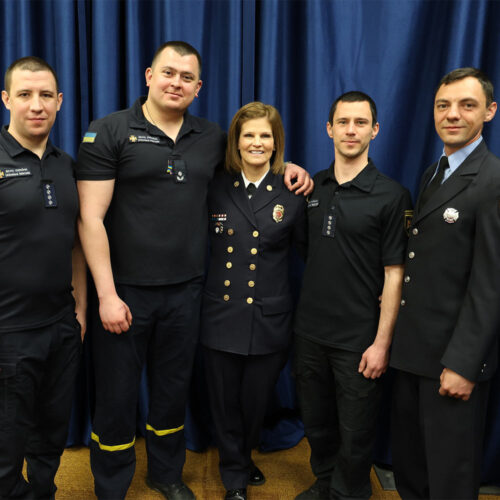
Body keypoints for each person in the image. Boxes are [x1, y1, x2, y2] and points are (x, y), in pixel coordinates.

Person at [76, 41, 312, 500]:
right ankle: (111, 485)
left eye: (187, 78)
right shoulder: (109, 131)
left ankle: (165, 475)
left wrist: (292, 169)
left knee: (171, 391)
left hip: (187, 293)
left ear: (199, 87)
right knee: (117, 395)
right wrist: (106, 294)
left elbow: (256, 158)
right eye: (168, 73)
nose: (176, 83)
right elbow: (90, 218)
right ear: (148, 75)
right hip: (123, 293)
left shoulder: (211, 138)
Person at [293, 91, 412, 500]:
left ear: (374, 130)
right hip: (309, 333)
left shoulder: (392, 195)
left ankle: (348, 492)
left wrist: (382, 343)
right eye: (343, 122)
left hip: (359, 339)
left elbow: (395, 275)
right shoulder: (311, 188)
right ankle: (324, 482)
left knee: (356, 430)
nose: (350, 130)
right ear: (328, 129)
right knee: (317, 422)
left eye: (360, 122)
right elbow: (310, 252)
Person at [390, 68, 500, 499]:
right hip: (415, 354)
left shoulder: (492, 181)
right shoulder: (434, 173)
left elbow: (490, 285)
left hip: (453, 361)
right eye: (443, 105)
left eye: (466, 105)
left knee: (451, 477)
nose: (452, 115)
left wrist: (464, 364)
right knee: (413, 470)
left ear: (490, 111)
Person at [201, 102, 307, 500]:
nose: (257, 143)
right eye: (249, 135)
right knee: (225, 404)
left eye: (266, 135)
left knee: (254, 404)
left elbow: (309, 253)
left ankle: (241, 458)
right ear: (236, 141)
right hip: (221, 314)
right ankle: (234, 480)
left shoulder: (293, 191)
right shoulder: (215, 185)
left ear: (276, 142)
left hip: (269, 318)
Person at [0, 56, 86, 500]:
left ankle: (44, 493)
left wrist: (80, 313)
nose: (37, 105)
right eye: (25, 95)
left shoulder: (66, 165)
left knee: (50, 435)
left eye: (46, 95)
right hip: (9, 332)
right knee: (6, 445)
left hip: (60, 328)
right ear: (6, 100)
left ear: (59, 102)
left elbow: (76, 245)